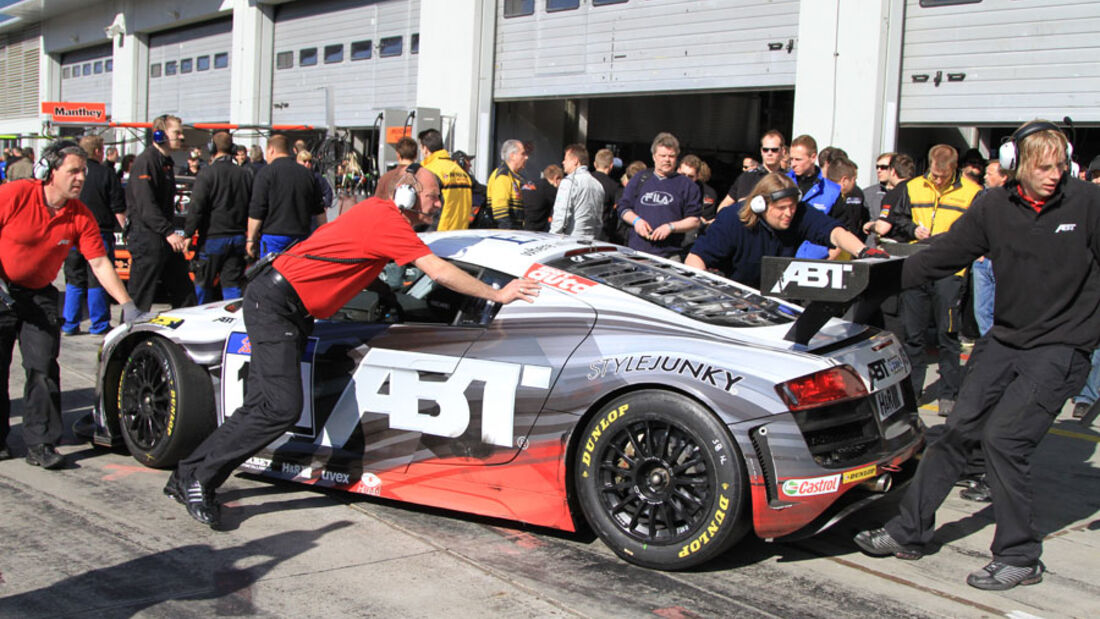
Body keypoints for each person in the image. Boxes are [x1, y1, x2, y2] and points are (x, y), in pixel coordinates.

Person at [165, 166, 542, 527]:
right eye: (432, 196)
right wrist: (499, 293)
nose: (438, 204)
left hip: (284, 305)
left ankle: (187, 473)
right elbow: (440, 271)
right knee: (279, 407)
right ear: (406, 194)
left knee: (262, 405)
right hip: (277, 305)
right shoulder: (388, 221)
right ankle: (201, 479)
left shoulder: (379, 216)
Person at [854, 121, 1098, 590]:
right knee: (956, 431)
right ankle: (908, 532)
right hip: (1005, 340)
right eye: (1043, 167)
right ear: (1017, 165)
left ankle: (1020, 556)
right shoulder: (993, 208)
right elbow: (942, 255)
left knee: (1005, 440)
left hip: (1061, 347)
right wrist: (874, 277)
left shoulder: (1088, 204)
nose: (1053, 175)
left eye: (1060, 166)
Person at [0, 140, 147, 466]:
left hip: (38, 295)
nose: (81, 177)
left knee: (42, 369)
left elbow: (99, 262)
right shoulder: (16, 194)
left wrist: (127, 303)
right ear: (50, 172)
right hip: (2, 290)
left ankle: (42, 444)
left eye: (83, 171)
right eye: (73, 171)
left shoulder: (79, 215)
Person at [865, 144, 981, 416]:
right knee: (913, 335)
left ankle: (949, 393)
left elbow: (975, 228)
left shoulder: (973, 192)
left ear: (954, 169)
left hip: (952, 271)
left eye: (943, 176)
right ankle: (913, 390)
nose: (938, 180)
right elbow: (897, 218)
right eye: (934, 175)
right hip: (917, 266)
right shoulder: (912, 187)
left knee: (947, 334)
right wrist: (912, 227)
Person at [685, 173, 886, 289]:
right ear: (759, 205)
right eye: (781, 208)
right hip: (731, 295)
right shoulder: (731, 219)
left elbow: (834, 232)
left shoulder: (799, 213)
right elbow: (695, 260)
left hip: (774, 297)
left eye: (792, 206)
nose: (788, 213)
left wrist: (863, 251)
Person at [126, 114, 196, 312]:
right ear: (159, 135)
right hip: (148, 238)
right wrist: (168, 232)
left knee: (184, 291)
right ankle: (128, 337)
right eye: (177, 133)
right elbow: (146, 205)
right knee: (141, 296)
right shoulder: (146, 162)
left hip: (163, 238)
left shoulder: (166, 162)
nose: (181, 137)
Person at [61, 135, 126, 335]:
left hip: (72, 233)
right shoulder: (106, 174)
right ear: (98, 151)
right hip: (99, 233)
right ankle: (98, 324)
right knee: (98, 278)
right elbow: (118, 207)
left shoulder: (72, 176)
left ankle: (70, 323)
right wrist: (125, 230)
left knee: (74, 278)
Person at [184, 131, 252, 304]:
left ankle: (200, 323)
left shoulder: (207, 174)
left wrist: (188, 234)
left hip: (212, 238)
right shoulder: (245, 174)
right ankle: (234, 323)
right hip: (237, 238)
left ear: (211, 148)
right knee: (232, 286)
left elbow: (196, 207)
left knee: (203, 284)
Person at [617, 132, 701, 261]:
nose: (667, 160)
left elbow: (694, 220)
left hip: (670, 255)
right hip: (636, 253)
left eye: (671, 156)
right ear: (654, 156)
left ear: (677, 158)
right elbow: (623, 208)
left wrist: (670, 227)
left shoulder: (688, 185)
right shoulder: (640, 178)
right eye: (662, 155)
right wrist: (636, 221)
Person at [247, 134, 325, 259]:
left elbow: (257, 209)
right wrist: (322, 236)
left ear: (271, 150)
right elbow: (319, 209)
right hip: (302, 236)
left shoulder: (266, 173)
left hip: (274, 237)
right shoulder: (307, 174)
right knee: (298, 275)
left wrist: (250, 239)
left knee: (270, 274)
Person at [972, 159, 1011, 337]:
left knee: (1003, 310)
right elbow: (973, 225)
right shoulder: (981, 197)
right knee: (981, 311)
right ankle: (988, 346)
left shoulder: (1014, 198)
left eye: (989, 173)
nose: (985, 177)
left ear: (1003, 177)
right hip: (982, 261)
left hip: (1003, 262)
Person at [418, 128, 473, 232]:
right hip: (460, 234)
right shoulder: (461, 172)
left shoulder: (430, 171)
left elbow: (424, 209)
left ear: (425, 149)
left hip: (438, 236)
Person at [718, 130, 787, 209]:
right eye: (765, 150)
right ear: (761, 151)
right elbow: (729, 206)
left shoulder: (787, 178)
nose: (769, 153)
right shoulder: (748, 177)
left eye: (774, 150)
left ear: (783, 151)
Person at [550, 144, 604, 240]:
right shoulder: (598, 185)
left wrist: (552, 239)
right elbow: (598, 222)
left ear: (575, 161)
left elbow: (561, 216)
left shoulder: (569, 182)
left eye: (566, 159)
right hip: (590, 243)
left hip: (570, 242)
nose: (563, 162)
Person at [825, 157, 868, 244]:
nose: (854, 184)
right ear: (844, 180)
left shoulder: (819, 193)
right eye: (853, 180)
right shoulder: (834, 199)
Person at [487, 139, 528, 229]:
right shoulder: (503, 175)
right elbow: (500, 211)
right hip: (507, 234)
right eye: (523, 154)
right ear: (512, 156)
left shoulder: (515, 177)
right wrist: (508, 233)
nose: (526, 157)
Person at [590, 148, 621, 243]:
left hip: (582, 228)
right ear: (611, 166)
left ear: (595, 164)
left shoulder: (585, 180)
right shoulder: (614, 186)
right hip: (602, 232)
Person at [521, 165, 562, 232]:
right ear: (556, 178)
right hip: (536, 230)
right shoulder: (550, 190)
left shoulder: (531, 183)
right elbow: (560, 210)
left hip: (520, 226)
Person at [863, 152, 897, 224]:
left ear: (894, 169)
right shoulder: (868, 193)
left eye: (883, 167)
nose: (879, 170)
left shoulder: (904, 191)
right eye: (877, 167)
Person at [296, 150, 334, 215]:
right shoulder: (294, 177)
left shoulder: (316, 177)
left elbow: (328, 191)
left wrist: (325, 205)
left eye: (309, 161)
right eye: (304, 161)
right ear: (298, 162)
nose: (307, 164)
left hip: (314, 213)